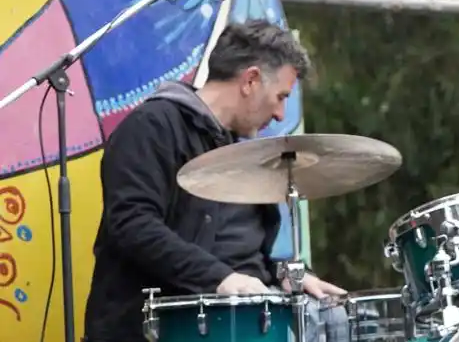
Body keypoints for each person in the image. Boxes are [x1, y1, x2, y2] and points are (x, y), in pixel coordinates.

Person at [84, 20, 348, 342]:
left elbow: (240, 252)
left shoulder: (238, 151)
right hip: (169, 327)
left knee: (337, 317)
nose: (281, 114)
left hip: (244, 318)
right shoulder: (152, 127)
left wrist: (284, 274)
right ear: (250, 80)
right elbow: (132, 223)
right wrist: (220, 278)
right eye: (280, 97)